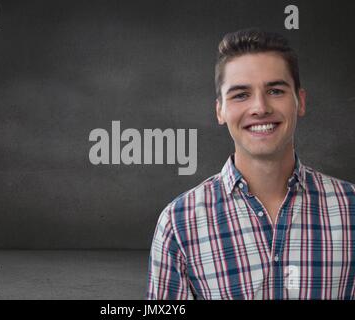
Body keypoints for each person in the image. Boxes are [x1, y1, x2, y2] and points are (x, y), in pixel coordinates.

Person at [146, 29, 355, 300]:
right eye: (241, 95)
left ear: (300, 102)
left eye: (275, 90)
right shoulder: (179, 223)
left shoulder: (350, 210)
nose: (260, 107)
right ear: (220, 110)